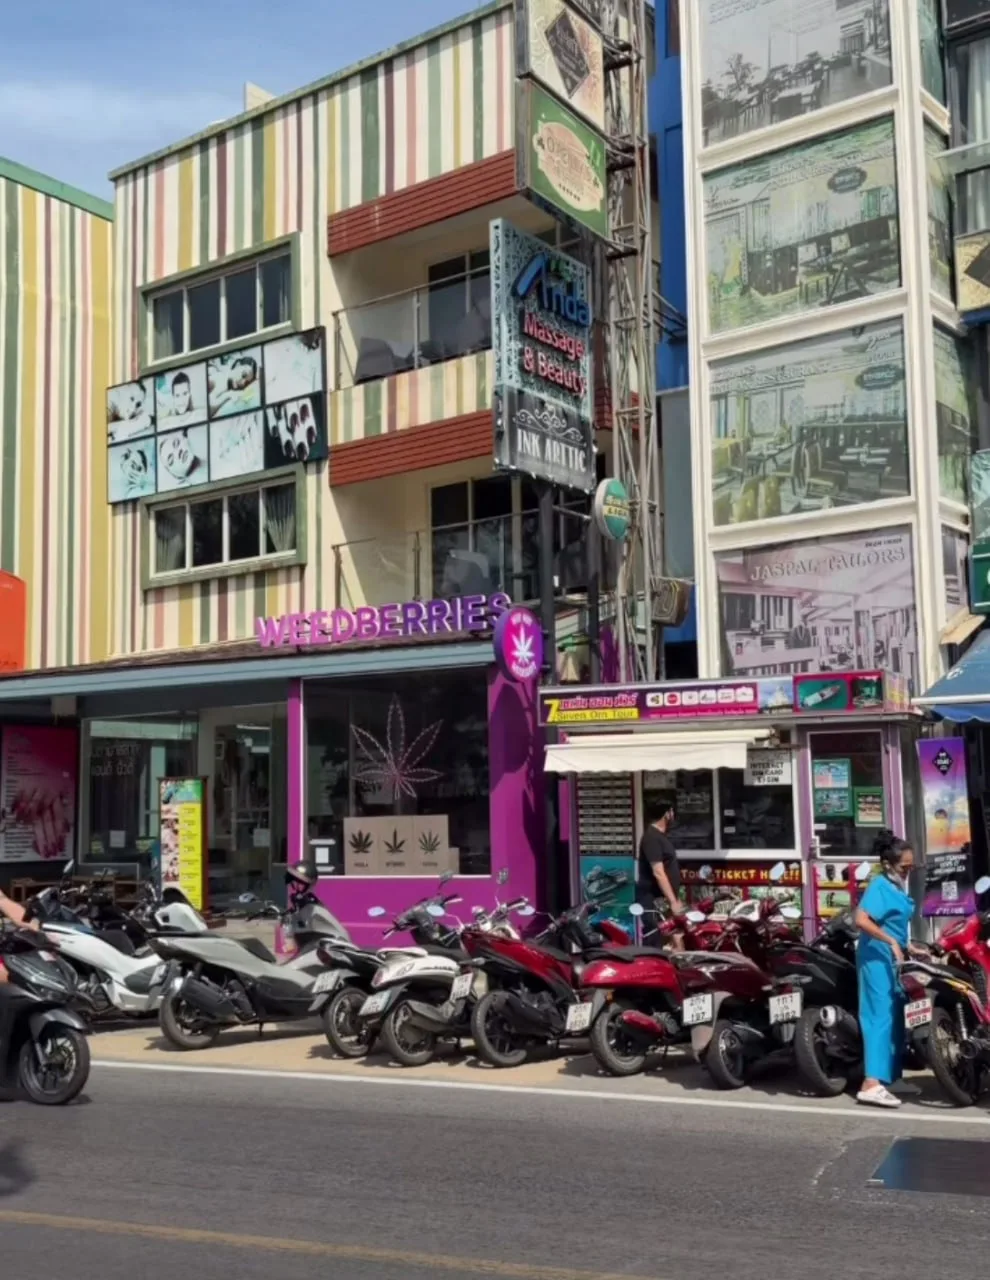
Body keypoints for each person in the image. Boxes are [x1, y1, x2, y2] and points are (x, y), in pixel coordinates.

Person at [854, 831, 926, 1108]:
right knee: (879, 1016)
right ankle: (871, 1083)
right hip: (875, 958)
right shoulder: (879, 886)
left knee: (896, 1016)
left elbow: (893, 925)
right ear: (887, 864)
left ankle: (891, 1077)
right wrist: (891, 942)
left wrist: (909, 947)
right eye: (904, 867)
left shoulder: (896, 888)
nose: (908, 872)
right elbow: (862, 920)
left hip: (893, 959)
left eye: (911, 867)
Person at [636, 799, 683, 949]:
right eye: (671, 811)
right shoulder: (651, 838)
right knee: (655, 942)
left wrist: (674, 899)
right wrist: (673, 902)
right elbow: (658, 872)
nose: (673, 814)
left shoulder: (661, 836)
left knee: (676, 936)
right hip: (653, 901)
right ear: (666, 814)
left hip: (663, 901)